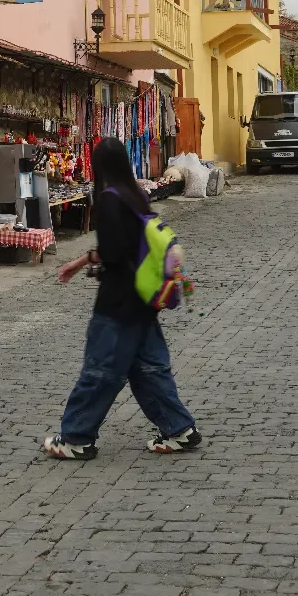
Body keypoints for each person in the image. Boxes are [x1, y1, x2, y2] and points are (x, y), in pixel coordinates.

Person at [44, 137, 200, 460]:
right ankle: (179, 429)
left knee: (99, 371)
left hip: (118, 304)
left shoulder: (110, 200)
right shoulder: (136, 196)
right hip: (144, 302)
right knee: (149, 370)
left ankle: (76, 437)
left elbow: (114, 253)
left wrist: (80, 261)